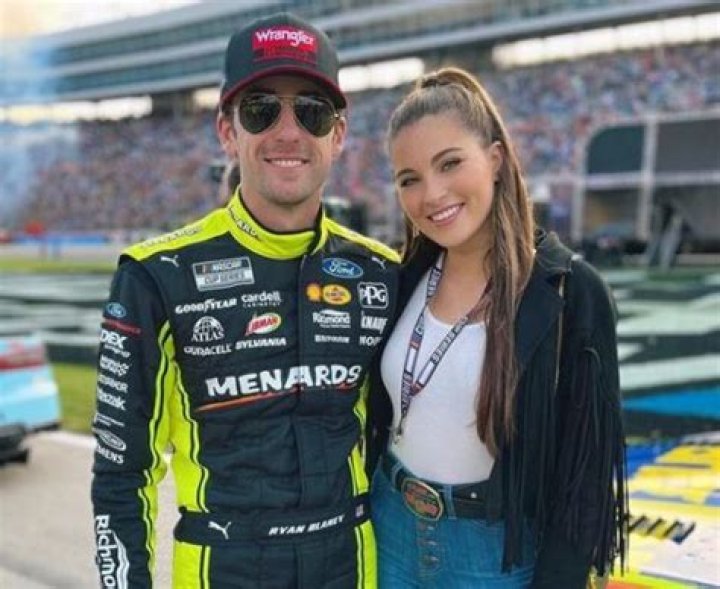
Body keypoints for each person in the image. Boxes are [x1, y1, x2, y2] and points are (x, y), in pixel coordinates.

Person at [91, 12, 400, 588]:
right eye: (260, 110)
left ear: (337, 135)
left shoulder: (381, 272)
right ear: (227, 131)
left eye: (312, 111)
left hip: (351, 566)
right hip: (222, 567)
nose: (288, 132)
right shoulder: (155, 276)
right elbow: (120, 473)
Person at [368, 67, 627, 588]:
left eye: (450, 163)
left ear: (495, 158)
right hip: (388, 525)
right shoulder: (399, 279)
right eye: (409, 179)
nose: (431, 194)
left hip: (494, 553)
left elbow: (585, 479)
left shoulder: (572, 292)